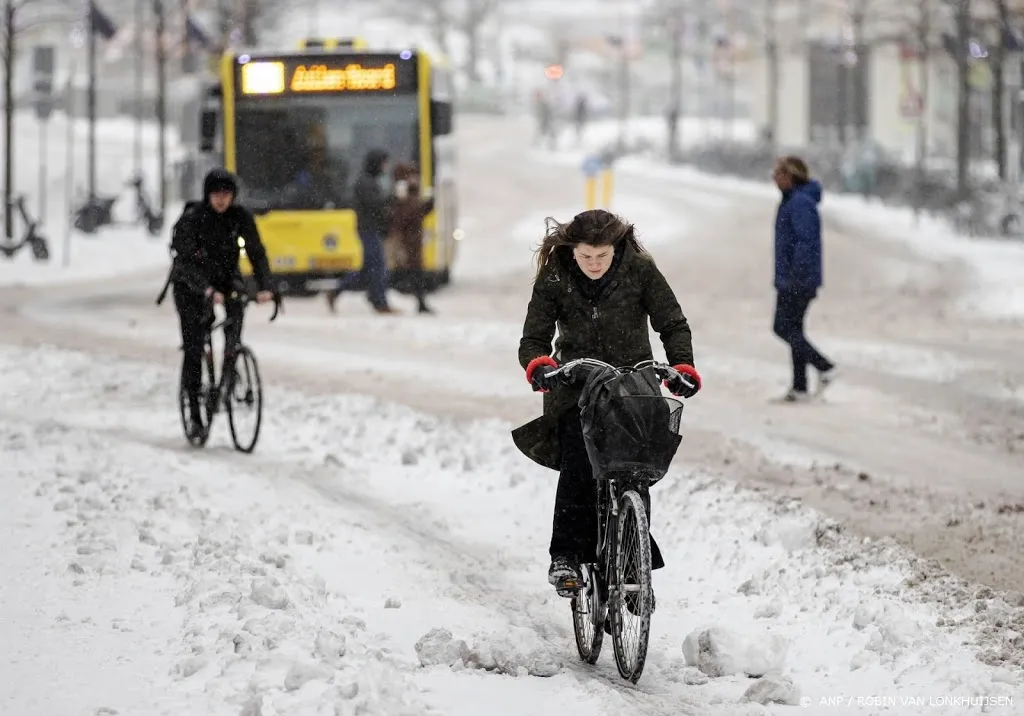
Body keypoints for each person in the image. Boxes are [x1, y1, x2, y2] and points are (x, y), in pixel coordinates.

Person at [511, 209, 702, 597]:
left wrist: (682, 365)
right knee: (579, 462)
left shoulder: (641, 270)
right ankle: (565, 555)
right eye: (586, 257)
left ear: (616, 250)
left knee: (636, 469)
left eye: (602, 257)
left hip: (633, 383)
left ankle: (635, 560)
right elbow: (534, 338)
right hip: (576, 386)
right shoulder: (555, 278)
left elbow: (672, 323)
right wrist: (540, 366)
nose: (594, 265)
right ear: (572, 251)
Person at [166, 168, 275, 439]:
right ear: (208, 195)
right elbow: (185, 260)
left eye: (227, 194)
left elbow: (256, 251)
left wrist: (265, 286)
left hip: (225, 279)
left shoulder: (240, 218)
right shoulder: (194, 220)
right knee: (194, 345)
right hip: (190, 284)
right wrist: (205, 289)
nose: (221, 200)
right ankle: (194, 412)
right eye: (216, 194)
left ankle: (229, 363)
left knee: (236, 314)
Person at [771, 155, 836, 402]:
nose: (774, 179)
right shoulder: (792, 201)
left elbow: (806, 244)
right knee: (794, 329)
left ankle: (825, 366)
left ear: (791, 175)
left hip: (797, 280)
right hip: (793, 279)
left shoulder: (800, 203)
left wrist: (795, 276)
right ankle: (799, 387)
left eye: (778, 174)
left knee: (783, 327)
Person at [325, 148, 398, 314]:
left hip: (371, 229)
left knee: (368, 268)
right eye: (383, 163)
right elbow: (374, 205)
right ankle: (379, 301)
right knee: (377, 266)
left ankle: (344, 293)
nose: (385, 167)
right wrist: (389, 201)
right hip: (368, 230)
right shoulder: (366, 183)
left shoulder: (370, 181)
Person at [388, 162, 436, 314]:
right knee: (409, 272)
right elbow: (408, 215)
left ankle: (421, 302)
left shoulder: (408, 195)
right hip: (408, 242)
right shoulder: (404, 195)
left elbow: (416, 213)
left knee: (415, 273)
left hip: (413, 241)